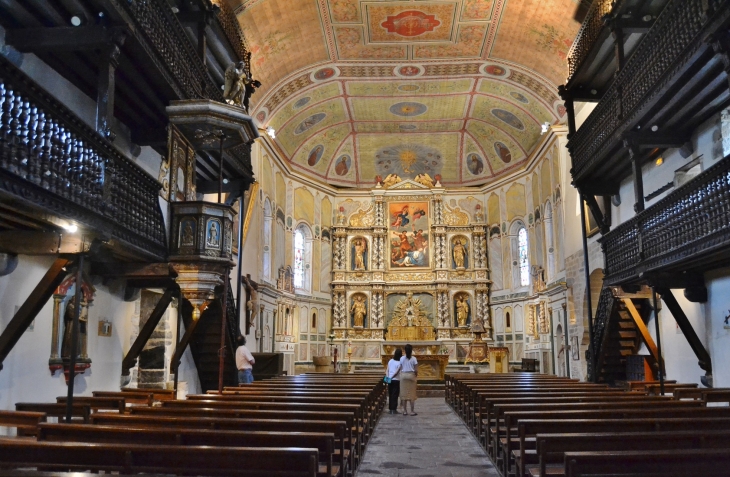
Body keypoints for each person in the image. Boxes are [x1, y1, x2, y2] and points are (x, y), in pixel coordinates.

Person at [399, 344, 418, 416]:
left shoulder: (401, 358)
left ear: (405, 350)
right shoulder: (414, 358)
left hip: (403, 375)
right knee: (412, 394)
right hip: (411, 375)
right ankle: (412, 411)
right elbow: (416, 370)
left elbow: (400, 368)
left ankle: (405, 411)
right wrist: (415, 375)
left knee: (404, 394)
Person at [386, 348, 402, 414]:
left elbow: (387, 370)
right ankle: (394, 409)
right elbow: (396, 372)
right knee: (395, 395)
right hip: (396, 380)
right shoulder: (400, 362)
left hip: (389, 379)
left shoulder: (390, 361)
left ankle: (390, 409)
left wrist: (388, 378)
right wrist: (392, 377)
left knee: (390, 394)